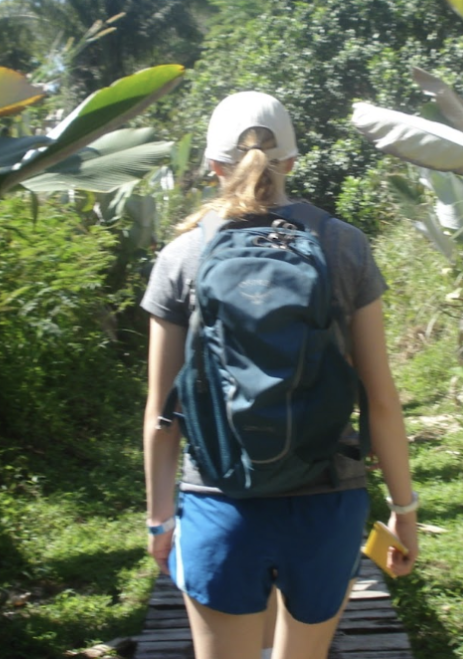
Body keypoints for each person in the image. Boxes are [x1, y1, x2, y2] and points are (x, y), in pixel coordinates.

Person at [141, 91, 419, 659]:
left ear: (213, 166)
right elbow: (381, 400)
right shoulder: (343, 245)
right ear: (292, 160)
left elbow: (160, 412)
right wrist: (404, 509)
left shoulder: (182, 256)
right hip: (327, 501)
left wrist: (159, 521)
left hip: (219, 499)